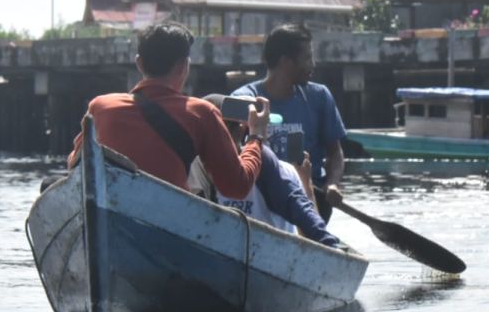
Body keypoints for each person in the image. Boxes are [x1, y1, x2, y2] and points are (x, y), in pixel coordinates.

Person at [67, 22, 266, 199]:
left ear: (139, 63)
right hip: (171, 220)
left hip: (109, 201)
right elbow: (237, 187)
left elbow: (74, 164)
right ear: (184, 66)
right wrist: (255, 137)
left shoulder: (100, 106)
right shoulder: (201, 113)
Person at [188, 95, 340, 248]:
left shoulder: (191, 165)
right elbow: (307, 230)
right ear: (243, 131)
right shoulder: (283, 169)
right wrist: (306, 184)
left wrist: (305, 182)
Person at [231, 24, 347, 221]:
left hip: (309, 200)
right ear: (285, 62)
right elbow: (230, 154)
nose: (314, 64)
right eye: (308, 58)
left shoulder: (319, 96)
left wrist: (332, 183)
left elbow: (335, 153)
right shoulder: (245, 99)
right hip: (262, 205)